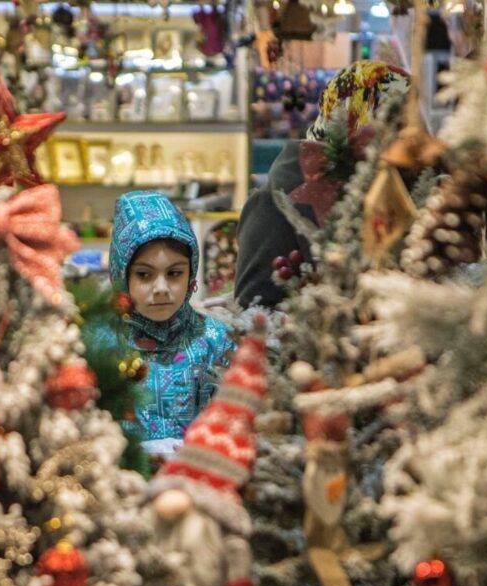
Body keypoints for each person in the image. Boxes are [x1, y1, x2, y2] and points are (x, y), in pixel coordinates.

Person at [235, 60, 411, 308]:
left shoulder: (400, 188)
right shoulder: (275, 202)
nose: (409, 138)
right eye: (396, 123)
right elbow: (253, 314)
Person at [109, 191, 236, 454]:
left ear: (191, 275)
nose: (161, 288)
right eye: (144, 274)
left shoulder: (215, 340)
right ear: (122, 275)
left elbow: (237, 420)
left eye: (175, 273)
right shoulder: (104, 344)